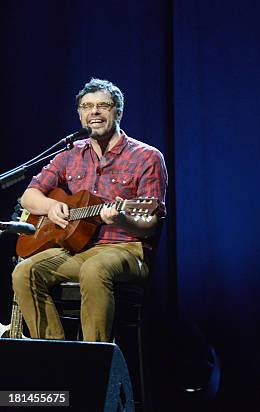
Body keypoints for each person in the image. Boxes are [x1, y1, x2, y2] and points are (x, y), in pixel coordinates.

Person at [12, 78, 168, 342]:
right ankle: (55, 357)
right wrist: (51, 206)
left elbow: (150, 222)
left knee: (94, 269)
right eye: (87, 106)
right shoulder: (69, 154)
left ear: (118, 112)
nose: (94, 112)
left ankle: (94, 363)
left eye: (102, 106)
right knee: (24, 271)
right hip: (77, 249)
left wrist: (121, 220)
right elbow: (29, 196)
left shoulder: (147, 156)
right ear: (80, 114)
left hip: (127, 250)